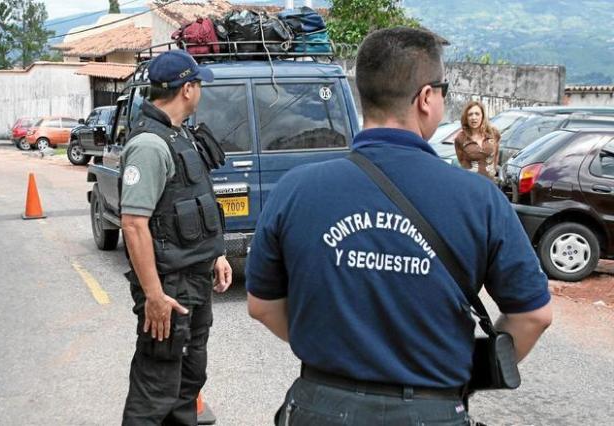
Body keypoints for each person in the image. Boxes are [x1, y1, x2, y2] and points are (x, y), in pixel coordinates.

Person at [245, 27, 552, 425]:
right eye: (442, 90)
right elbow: (534, 316)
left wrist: (338, 351)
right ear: (426, 98)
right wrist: (464, 374)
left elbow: (262, 305)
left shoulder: (295, 189)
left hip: (318, 405)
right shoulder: (479, 198)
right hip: (432, 409)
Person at [120, 50, 232, 425]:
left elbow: (193, 202)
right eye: (199, 83)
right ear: (187, 89)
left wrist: (215, 255)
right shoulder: (150, 145)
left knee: (188, 381)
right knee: (156, 388)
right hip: (169, 287)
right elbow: (134, 225)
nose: (202, 90)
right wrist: (153, 295)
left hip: (194, 280)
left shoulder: (179, 133)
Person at [454, 101, 502, 179]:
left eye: (477, 114)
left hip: (489, 183)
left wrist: (492, 170)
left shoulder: (493, 133)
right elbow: (461, 161)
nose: (474, 117)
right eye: (470, 114)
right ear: (466, 117)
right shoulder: (460, 138)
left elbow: (496, 154)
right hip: (471, 182)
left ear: (482, 116)